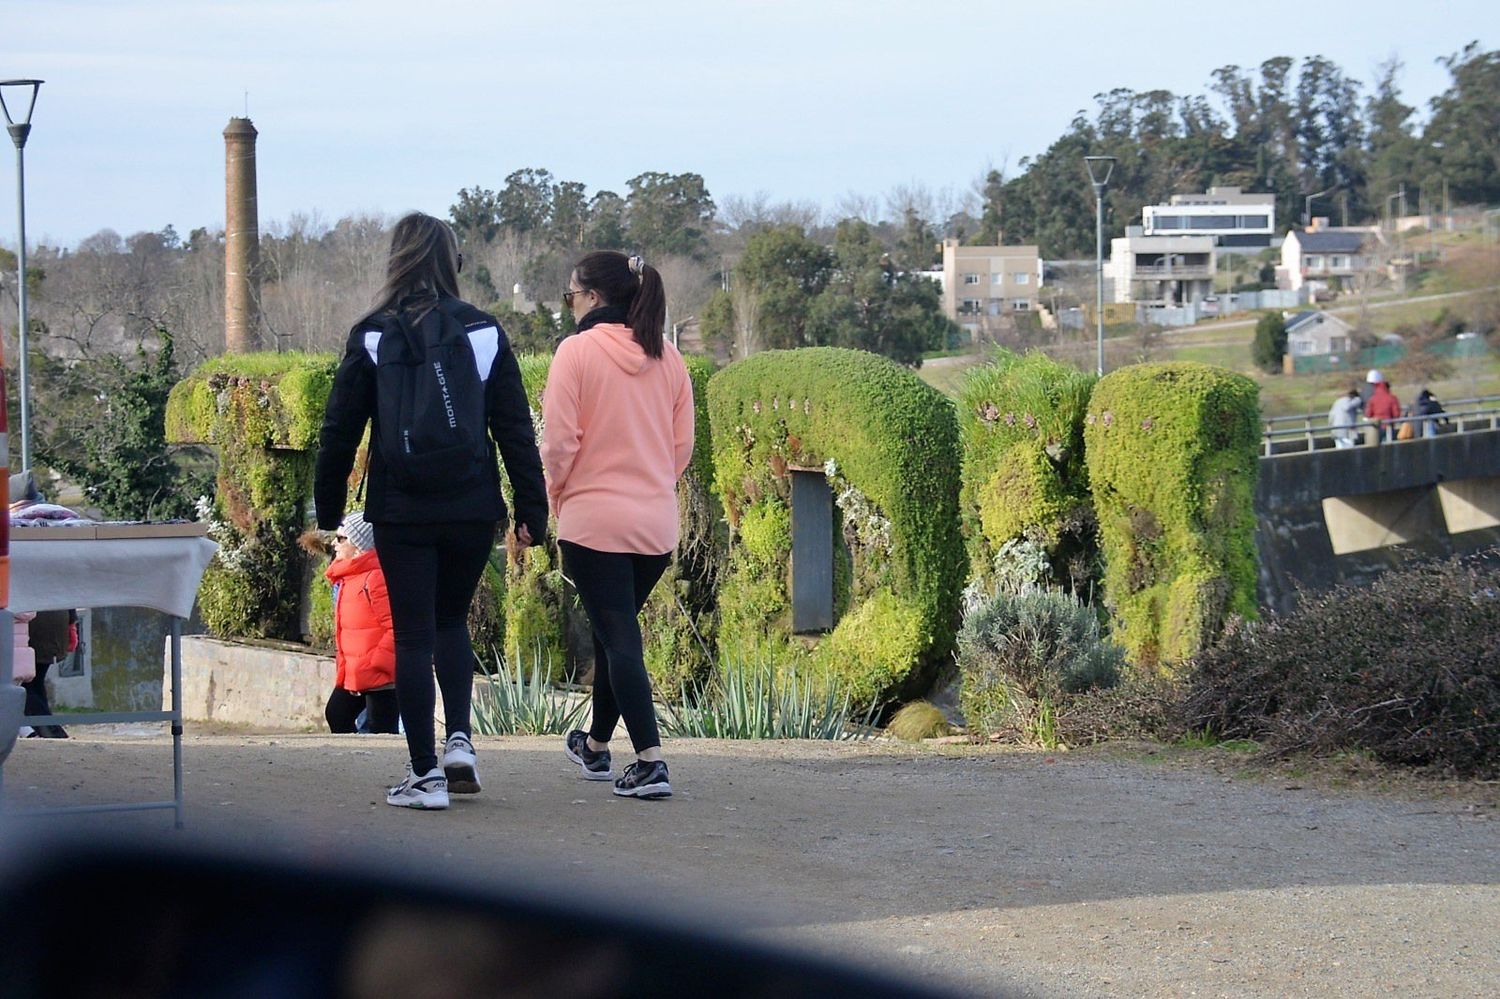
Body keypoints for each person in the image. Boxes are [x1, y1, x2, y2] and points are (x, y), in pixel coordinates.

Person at [315, 212, 548, 811]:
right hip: (473, 507)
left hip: (402, 509)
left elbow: (339, 431)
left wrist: (329, 509)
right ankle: (461, 743)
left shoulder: (372, 333)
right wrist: (531, 508)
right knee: (450, 623)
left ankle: (425, 775)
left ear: (397, 261)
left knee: (414, 633)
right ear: (451, 262)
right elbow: (515, 428)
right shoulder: (484, 331)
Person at [542, 251, 694, 800]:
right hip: (654, 527)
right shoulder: (669, 357)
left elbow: (559, 444)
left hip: (593, 522)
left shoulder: (575, 354)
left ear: (592, 297)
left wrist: (555, 497)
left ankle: (651, 760)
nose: (570, 306)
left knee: (621, 640)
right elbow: (681, 449)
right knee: (615, 635)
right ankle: (597, 748)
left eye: (570, 296)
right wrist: (649, 487)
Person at [323, 511, 400, 735]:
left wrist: (379, 663)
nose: (334, 544)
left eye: (341, 539)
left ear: (359, 545)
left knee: (382, 734)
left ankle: (382, 770)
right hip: (356, 672)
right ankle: (353, 766)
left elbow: (396, 626)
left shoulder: (376, 577)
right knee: (337, 714)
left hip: (379, 676)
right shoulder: (348, 576)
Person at [23, 609, 76, 739]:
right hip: (57, 626)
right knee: (35, 683)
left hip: (33, 629)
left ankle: (51, 731)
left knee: (25, 686)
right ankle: (46, 728)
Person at [1364, 374, 1402, 442]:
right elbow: (1396, 414)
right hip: (1389, 426)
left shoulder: (1372, 398)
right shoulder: (1392, 398)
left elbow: (1368, 414)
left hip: (1376, 427)